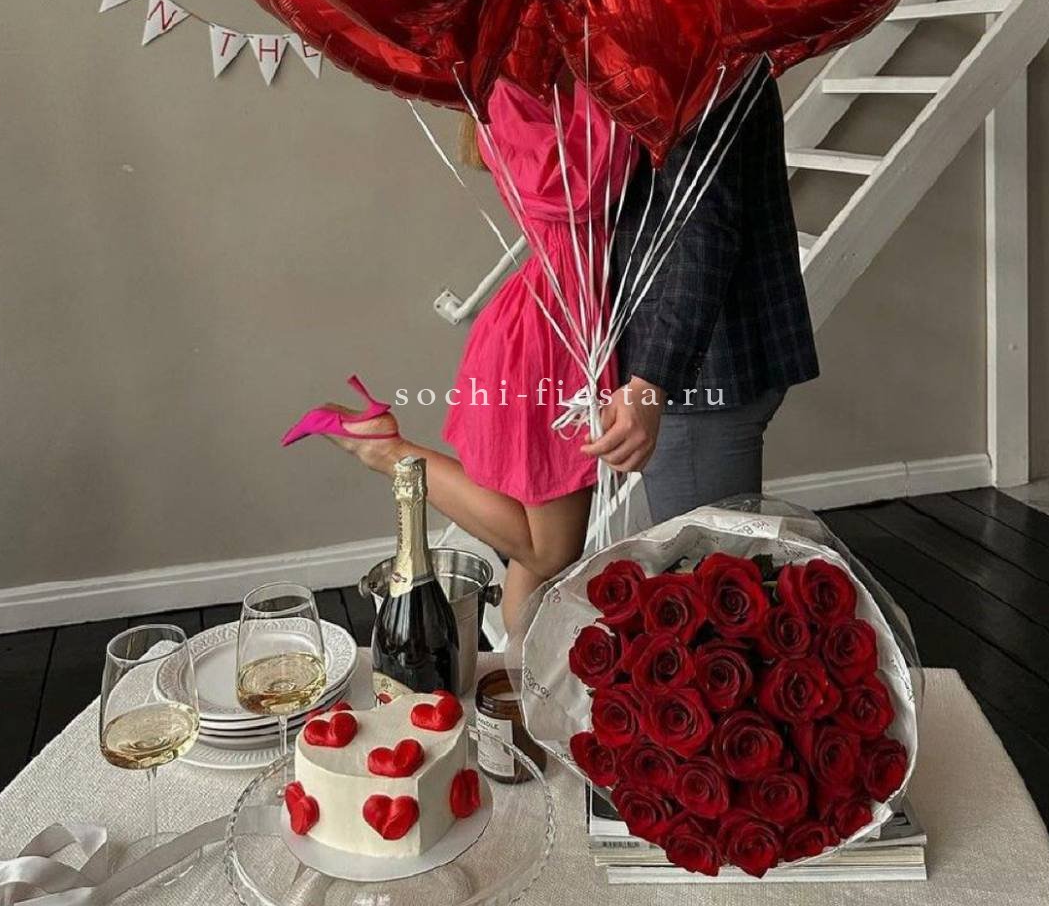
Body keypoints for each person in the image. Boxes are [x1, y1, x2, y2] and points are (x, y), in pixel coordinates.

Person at [283, 79, 632, 629]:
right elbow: (583, 185)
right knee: (549, 551)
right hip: (551, 338)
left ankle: (519, 676)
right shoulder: (510, 92)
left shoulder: (528, 90)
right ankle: (386, 450)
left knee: (535, 563)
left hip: (555, 324)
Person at [583, 74, 818, 521]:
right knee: (704, 550)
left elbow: (704, 228)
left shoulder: (683, 57)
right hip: (696, 355)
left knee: (704, 557)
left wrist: (651, 381)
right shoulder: (693, 50)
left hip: (700, 368)